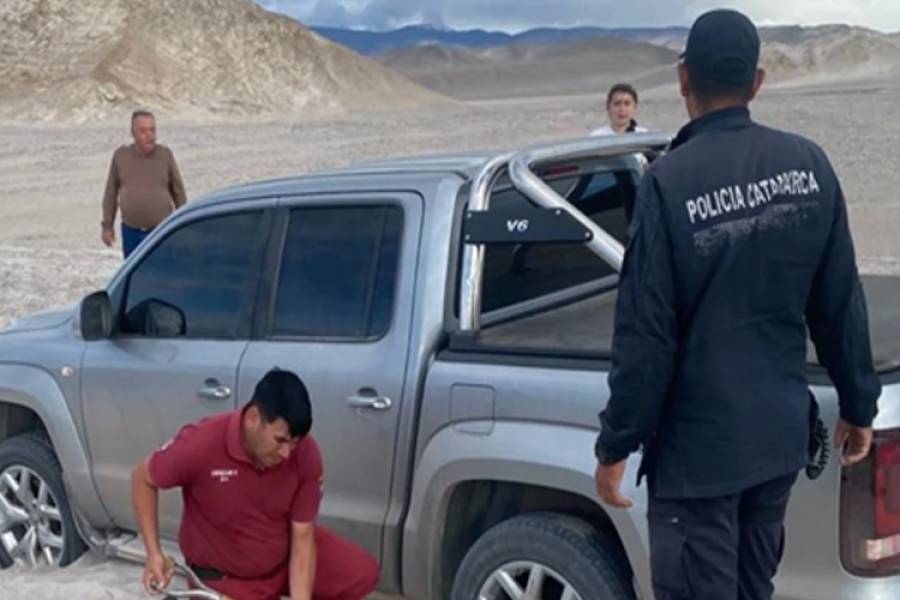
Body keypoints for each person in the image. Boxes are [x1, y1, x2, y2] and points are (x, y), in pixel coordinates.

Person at [593, 9, 881, 600]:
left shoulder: (667, 183)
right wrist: (858, 402)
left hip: (699, 458)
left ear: (682, 79)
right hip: (774, 444)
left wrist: (616, 443)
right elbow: (839, 302)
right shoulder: (810, 166)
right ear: (757, 82)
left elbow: (645, 336)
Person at [132, 369, 379, 600]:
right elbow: (142, 478)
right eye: (280, 440)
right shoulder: (201, 443)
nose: (286, 453)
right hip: (227, 578)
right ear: (252, 419)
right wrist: (154, 554)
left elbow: (303, 536)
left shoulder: (304, 452)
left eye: (294, 442)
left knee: (362, 572)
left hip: (283, 558)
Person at [101, 110, 187, 258]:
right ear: (133, 133)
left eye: (152, 130)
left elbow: (178, 192)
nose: (149, 136)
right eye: (143, 131)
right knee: (136, 276)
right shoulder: (121, 156)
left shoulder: (165, 155)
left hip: (162, 231)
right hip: (132, 233)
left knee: (162, 275)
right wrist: (107, 226)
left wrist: (185, 224)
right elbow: (111, 192)